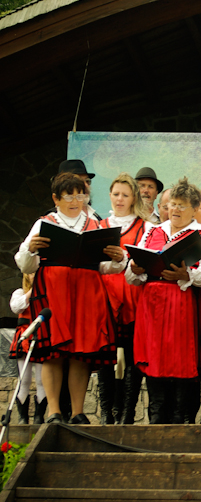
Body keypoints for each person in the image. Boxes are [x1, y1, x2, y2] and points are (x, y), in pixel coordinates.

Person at [16, 173, 125, 424]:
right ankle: (54, 411)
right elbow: (26, 265)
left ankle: (77, 411)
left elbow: (105, 267)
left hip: (87, 294)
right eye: (69, 196)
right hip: (54, 294)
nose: (76, 201)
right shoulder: (43, 223)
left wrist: (118, 259)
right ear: (56, 198)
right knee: (53, 352)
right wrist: (31, 249)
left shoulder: (96, 225)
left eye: (81, 195)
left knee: (80, 353)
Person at [125, 177, 201, 424]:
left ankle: (179, 418)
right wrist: (135, 269)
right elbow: (131, 275)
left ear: (194, 209)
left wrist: (186, 275)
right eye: (173, 204)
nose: (175, 210)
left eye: (182, 205)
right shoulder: (152, 231)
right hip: (151, 305)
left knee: (180, 359)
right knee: (153, 358)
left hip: (181, 303)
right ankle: (156, 417)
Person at [96, 173, 153, 425]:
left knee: (132, 354)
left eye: (125, 195)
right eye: (116, 194)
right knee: (106, 355)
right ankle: (107, 412)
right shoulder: (99, 226)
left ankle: (127, 413)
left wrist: (125, 260)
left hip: (133, 295)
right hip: (104, 295)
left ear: (133, 198)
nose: (120, 199)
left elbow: (145, 260)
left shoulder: (145, 227)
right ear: (110, 195)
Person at [9, 274, 47, 424]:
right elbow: (16, 307)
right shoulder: (19, 292)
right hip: (24, 336)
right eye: (30, 273)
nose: (33, 276)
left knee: (41, 380)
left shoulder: (46, 294)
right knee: (24, 379)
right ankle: (22, 418)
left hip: (41, 336)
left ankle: (39, 417)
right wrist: (32, 291)